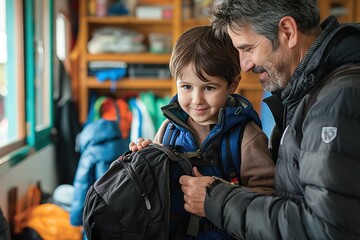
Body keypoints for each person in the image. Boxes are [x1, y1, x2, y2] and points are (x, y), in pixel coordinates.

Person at [179, 0, 360, 239]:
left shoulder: (336, 100)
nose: (244, 65)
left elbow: (326, 229)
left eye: (248, 48)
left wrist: (217, 200)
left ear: (287, 31)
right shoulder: (304, 94)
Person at [130, 25, 275, 239]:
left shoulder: (247, 137)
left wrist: (225, 195)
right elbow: (154, 187)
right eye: (187, 87)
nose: (197, 100)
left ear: (233, 84)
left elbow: (267, 198)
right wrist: (143, 157)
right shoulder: (169, 130)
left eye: (209, 88)